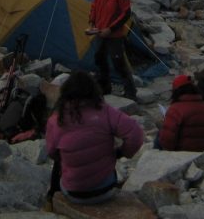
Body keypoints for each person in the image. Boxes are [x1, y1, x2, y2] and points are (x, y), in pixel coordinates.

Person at [44, 70, 144, 205]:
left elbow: (52, 152)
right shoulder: (105, 111)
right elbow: (136, 135)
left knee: (59, 160)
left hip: (74, 194)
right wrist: (121, 153)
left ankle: (52, 198)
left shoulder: (56, 120)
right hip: (106, 189)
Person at [87, 0, 138, 100]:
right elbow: (94, 7)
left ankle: (131, 93)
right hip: (99, 33)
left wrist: (110, 29)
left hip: (114, 35)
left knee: (118, 63)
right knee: (100, 59)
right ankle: (105, 88)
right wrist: (92, 23)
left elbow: (126, 13)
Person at [156, 74, 204, 152]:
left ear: (176, 91)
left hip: (183, 152)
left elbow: (167, 141)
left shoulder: (176, 109)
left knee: (160, 134)